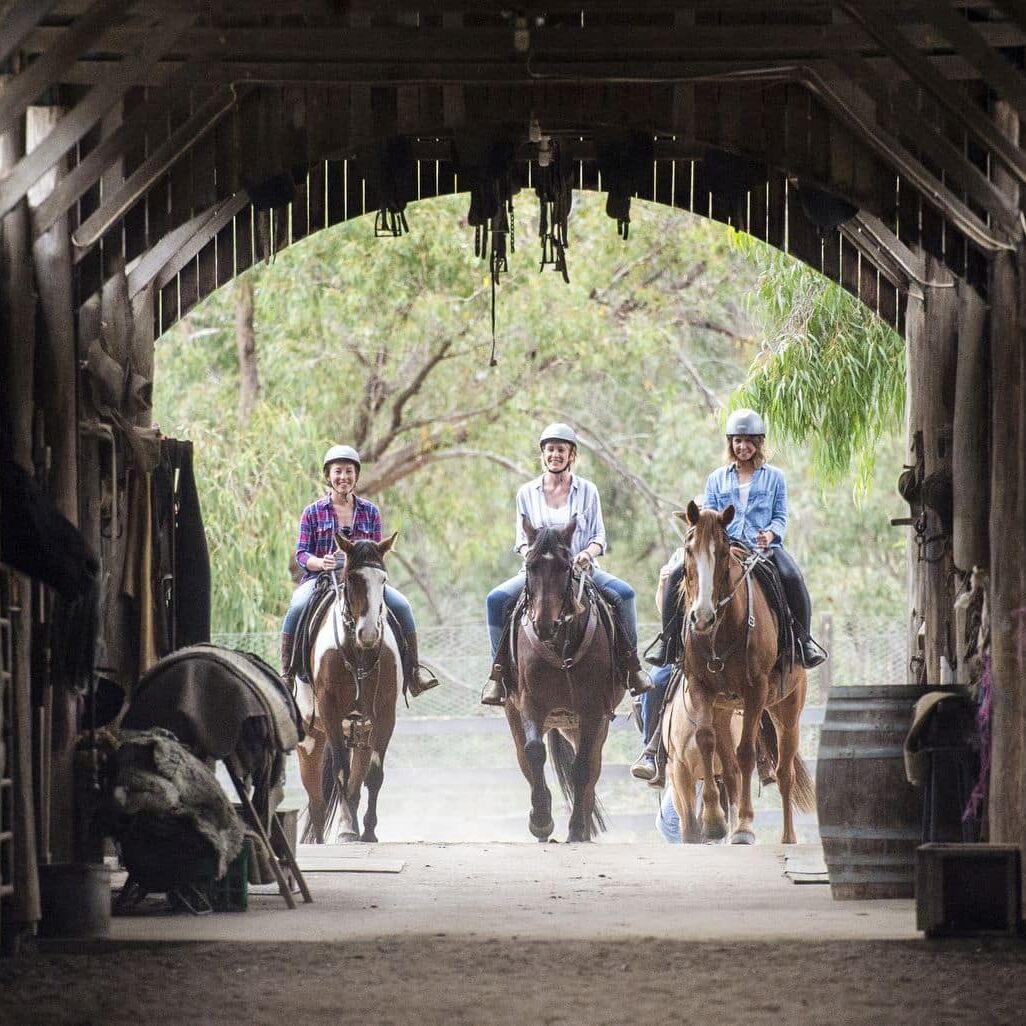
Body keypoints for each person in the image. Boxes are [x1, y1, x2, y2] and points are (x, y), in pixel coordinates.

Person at [480, 423, 653, 706]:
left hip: (581, 571)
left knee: (625, 594)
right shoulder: (526, 492)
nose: (555, 455)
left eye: (561, 449)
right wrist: (531, 555)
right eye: (550, 449)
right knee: (495, 600)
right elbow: (521, 541)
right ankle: (498, 675)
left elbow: (599, 537)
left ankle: (632, 668)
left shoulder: (588, 491)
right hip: (538, 575)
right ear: (543, 454)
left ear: (572, 455)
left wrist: (586, 553)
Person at [645, 408, 828, 671]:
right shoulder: (716, 478)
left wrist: (770, 534)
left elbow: (780, 516)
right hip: (725, 548)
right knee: (676, 575)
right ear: (730, 443)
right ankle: (669, 642)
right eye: (738, 441)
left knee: (793, 577)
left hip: (763, 549)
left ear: (759, 443)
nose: (743, 446)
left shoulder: (775, 477)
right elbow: (708, 518)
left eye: (749, 441)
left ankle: (803, 642)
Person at [279, 444, 439, 703]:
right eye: (338, 471)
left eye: (349, 471)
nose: (343, 477)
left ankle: (413, 673)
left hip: (363, 581)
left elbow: (375, 554)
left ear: (356, 476)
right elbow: (301, 554)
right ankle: (287, 673)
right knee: (297, 605)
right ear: (328, 475)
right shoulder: (312, 512)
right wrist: (320, 562)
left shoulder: (370, 511)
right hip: (322, 579)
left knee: (403, 605)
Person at [629, 544, 684, 782]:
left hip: (719, 648)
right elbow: (664, 609)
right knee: (653, 685)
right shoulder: (680, 555)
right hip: (682, 646)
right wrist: (663, 585)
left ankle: (765, 754)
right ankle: (650, 754)